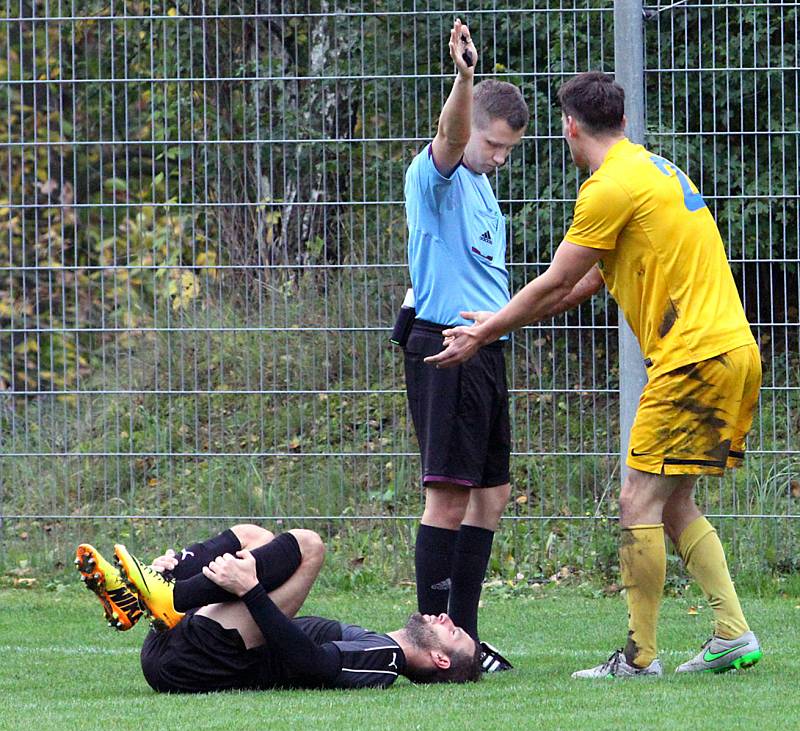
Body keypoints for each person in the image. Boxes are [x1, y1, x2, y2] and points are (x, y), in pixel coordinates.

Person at [425, 71, 763, 678]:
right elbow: (584, 285)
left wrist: (485, 331)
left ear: (570, 127)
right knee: (674, 500)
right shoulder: (655, 169)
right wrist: (501, 321)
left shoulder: (608, 189)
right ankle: (732, 633)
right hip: (732, 351)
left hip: (691, 358)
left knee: (637, 498)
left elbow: (556, 279)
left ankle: (638, 659)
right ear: (624, 123)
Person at [401, 18, 528, 673]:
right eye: (494, 143)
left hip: (485, 350)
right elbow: (450, 137)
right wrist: (464, 77)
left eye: (509, 149)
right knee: (447, 497)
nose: (498, 156)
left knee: (491, 493)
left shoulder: (482, 187)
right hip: (445, 344)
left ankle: (468, 639)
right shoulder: (438, 175)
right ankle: (432, 644)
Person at [75, 523, 482, 691]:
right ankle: (157, 586)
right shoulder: (374, 643)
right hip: (187, 647)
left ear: (439, 660)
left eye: (454, 632)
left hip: (199, 662)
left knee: (309, 546)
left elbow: (312, 664)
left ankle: (170, 593)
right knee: (256, 537)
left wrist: (251, 590)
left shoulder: (385, 661)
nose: (447, 618)